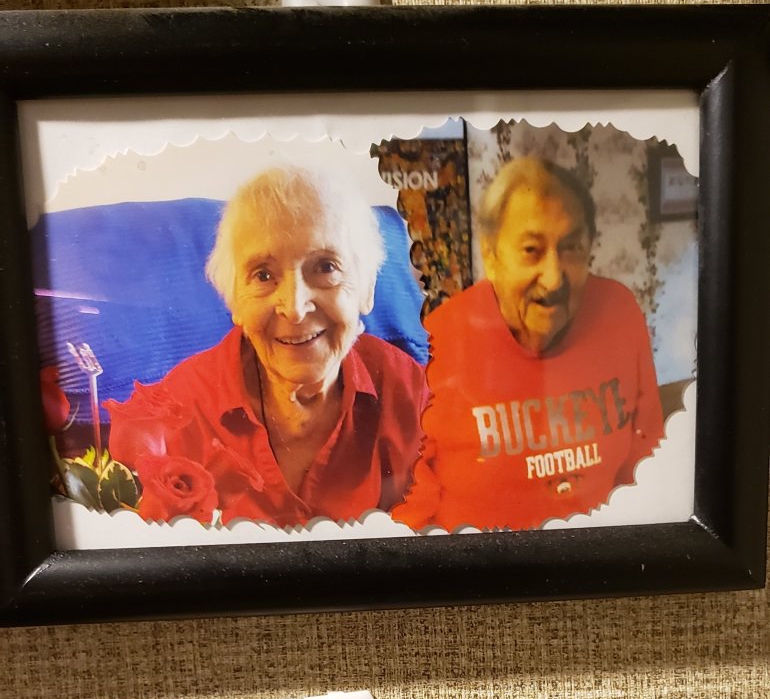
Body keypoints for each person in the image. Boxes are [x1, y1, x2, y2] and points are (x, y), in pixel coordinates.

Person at [105, 166, 427, 526]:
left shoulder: (410, 391)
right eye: (263, 274)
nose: (295, 308)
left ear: (367, 288)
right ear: (234, 300)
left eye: (325, 267)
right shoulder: (180, 409)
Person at [392, 157, 664, 532]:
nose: (553, 279)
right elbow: (409, 512)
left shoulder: (620, 313)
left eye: (571, 247)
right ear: (492, 256)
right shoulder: (436, 343)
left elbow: (646, 454)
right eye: (531, 250)